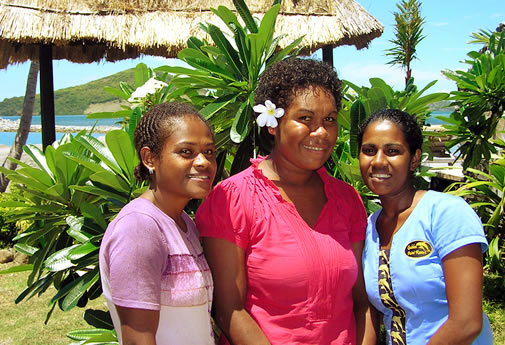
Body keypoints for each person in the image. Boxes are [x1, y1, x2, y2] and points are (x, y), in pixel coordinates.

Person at [195, 57, 374, 345]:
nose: (321, 132)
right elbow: (230, 310)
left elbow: (362, 303)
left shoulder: (346, 199)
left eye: (329, 119)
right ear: (273, 124)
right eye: (305, 118)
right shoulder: (233, 199)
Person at [358, 109, 494, 345]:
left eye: (393, 151)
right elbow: (375, 312)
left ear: (414, 159)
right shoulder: (370, 227)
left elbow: (467, 323)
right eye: (369, 150)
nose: (378, 160)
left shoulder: (446, 212)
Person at [99, 102, 217, 345]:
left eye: (209, 152)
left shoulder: (184, 223)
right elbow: (137, 340)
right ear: (149, 158)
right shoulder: (138, 227)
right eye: (186, 151)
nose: (203, 162)